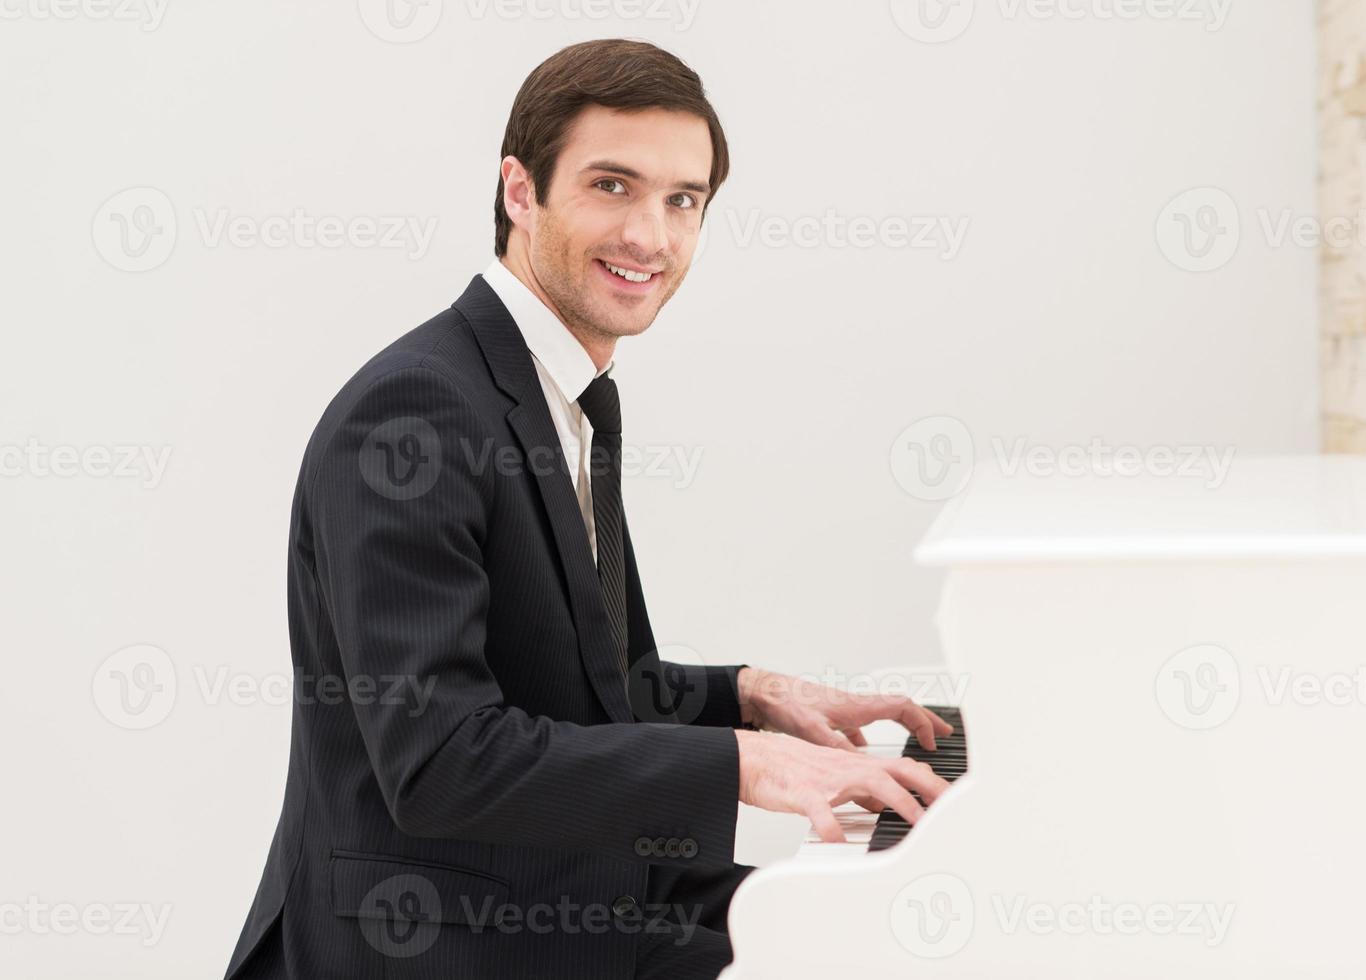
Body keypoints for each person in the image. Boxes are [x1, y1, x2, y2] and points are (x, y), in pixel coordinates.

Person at [224, 37, 952, 980]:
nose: (650, 236)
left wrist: (747, 694)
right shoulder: (413, 412)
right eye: (613, 185)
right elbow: (438, 760)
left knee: (900, 933)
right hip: (428, 936)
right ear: (519, 192)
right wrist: (745, 764)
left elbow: (576, 691)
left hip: (553, 894)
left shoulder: (563, 395)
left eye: (681, 200)